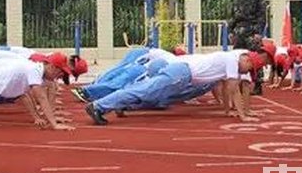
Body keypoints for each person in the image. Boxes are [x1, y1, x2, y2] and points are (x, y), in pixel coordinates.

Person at [84, 47, 274, 125]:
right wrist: (243, 116)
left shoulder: (235, 57)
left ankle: (119, 105)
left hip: (185, 77)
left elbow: (228, 89)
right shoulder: (233, 61)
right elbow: (232, 90)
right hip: (181, 73)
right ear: (248, 60)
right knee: (145, 91)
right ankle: (98, 106)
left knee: (154, 97)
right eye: (249, 68)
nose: (245, 73)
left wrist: (231, 112)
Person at [228, 0, 267, 94]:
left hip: (252, 30)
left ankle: (257, 85)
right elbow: (232, 16)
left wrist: (259, 33)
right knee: (237, 58)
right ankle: (238, 84)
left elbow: (262, 15)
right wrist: (230, 31)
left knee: (255, 58)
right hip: (239, 31)